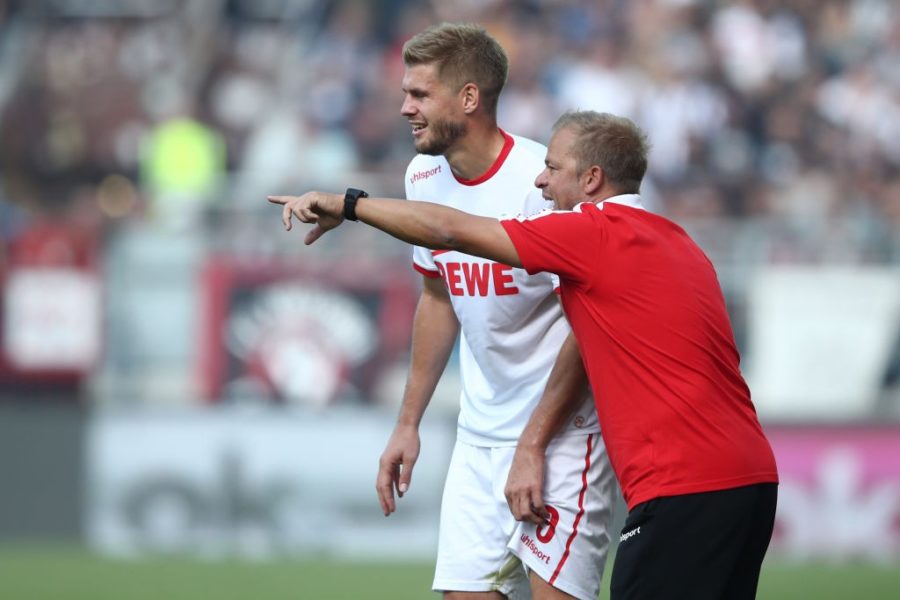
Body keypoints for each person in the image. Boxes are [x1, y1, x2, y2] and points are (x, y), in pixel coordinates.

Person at [269, 109, 780, 600]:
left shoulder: (594, 234)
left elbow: (453, 231)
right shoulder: (680, 241)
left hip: (681, 487)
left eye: (553, 169)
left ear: (592, 180)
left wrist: (351, 205)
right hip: (752, 479)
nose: (540, 182)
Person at [298, 24, 616, 600]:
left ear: (469, 98)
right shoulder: (421, 176)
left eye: (419, 95)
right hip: (478, 437)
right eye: (405, 93)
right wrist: (408, 422)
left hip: (563, 437)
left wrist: (533, 443)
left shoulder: (543, 183)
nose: (404, 108)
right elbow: (439, 295)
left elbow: (587, 327)